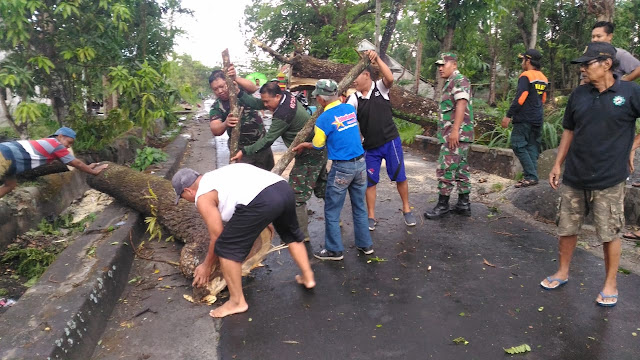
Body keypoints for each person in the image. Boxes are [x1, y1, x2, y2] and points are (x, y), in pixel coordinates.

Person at [541, 42, 640, 307]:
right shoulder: (579, 95)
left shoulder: (630, 92)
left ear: (607, 64)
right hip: (575, 175)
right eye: (581, 65)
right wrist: (557, 164)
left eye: (587, 64)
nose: (582, 70)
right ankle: (562, 272)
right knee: (567, 227)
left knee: (609, 233)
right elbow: (568, 131)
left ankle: (610, 283)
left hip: (609, 179)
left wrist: (633, 145)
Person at [173, 164, 316, 318]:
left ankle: (237, 302)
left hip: (262, 200)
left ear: (188, 191)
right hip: (282, 187)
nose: (185, 200)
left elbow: (217, 236)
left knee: (226, 248)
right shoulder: (216, 176)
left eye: (181, 197)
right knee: (291, 234)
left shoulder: (202, 196)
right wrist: (264, 217)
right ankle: (308, 277)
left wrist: (206, 266)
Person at [229, 80, 327, 240]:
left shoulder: (283, 114)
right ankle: (335, 221)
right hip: (318, 147)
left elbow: (267, 140)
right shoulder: (287, 96)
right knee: (323, 186)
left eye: (268, 101)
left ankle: (301, 236)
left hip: (309, 154)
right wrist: (240, 93)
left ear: (277, 96)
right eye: (264, 101)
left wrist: (244, 151)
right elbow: (256, 102)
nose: (265, 105)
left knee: (296, 196)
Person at [293, 79, 373, 260]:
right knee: (359, 207)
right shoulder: (349, 109)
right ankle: (365, 245)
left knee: (332, 209)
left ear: (320, 100)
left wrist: (306, 144)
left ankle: (334, 250)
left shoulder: (323, 120)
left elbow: (319, 144)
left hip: (342, 167)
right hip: (360, 164)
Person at [347, 50, 417, 231]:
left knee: (400, 176)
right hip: (370, 147)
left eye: (356, 76)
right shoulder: (353, 99)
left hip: (390, 142)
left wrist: (377, 58)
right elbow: (347, 118)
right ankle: (371, 215)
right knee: (370, 181)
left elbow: (390, 78)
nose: (353, 80)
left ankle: (406, 208)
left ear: (366, 75)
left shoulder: (380, 88)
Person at [425, 53, 474, 219]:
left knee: (446, 168)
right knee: (461, 168)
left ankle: (443, 205)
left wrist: (454, 131)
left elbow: (461, 104)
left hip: (455, 135)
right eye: (438, 65)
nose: (440, 68)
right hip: (459, 135)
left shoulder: (459, 80)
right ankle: (463, 204)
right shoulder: (452, 81)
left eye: (443, 65)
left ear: (453, 64)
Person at [0, 127, 108, 198]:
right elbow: (76, 163)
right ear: (60, 136)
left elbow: (74, 163)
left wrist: (88, 167)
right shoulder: (56, 145)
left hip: (11, 161)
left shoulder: (48, 143)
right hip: (5, 156)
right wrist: (93, 172)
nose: (69, 146)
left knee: (10, 185)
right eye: (69, 142)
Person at [208, 69, 274, 171]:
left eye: (222, 86)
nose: (220, 91)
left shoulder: (240, 90)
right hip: (241, 151)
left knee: (268, 175)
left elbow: (253, 88)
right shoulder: (217, 107)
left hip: (261, 145)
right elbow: (215, 129)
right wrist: (225, 123)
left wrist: (235, 78)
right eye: (215, 89)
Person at [501, 49, 549, 188]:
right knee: (532, 146)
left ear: (528, 61)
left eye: (523, 60)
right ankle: (532, 176)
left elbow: (521, 98)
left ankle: (531, 176)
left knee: (517, 144)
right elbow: (543, 99)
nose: (522, 62)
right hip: (538, 117)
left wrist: (508, 115)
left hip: (524, 118)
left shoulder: (526, 76)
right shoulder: (543, 77)